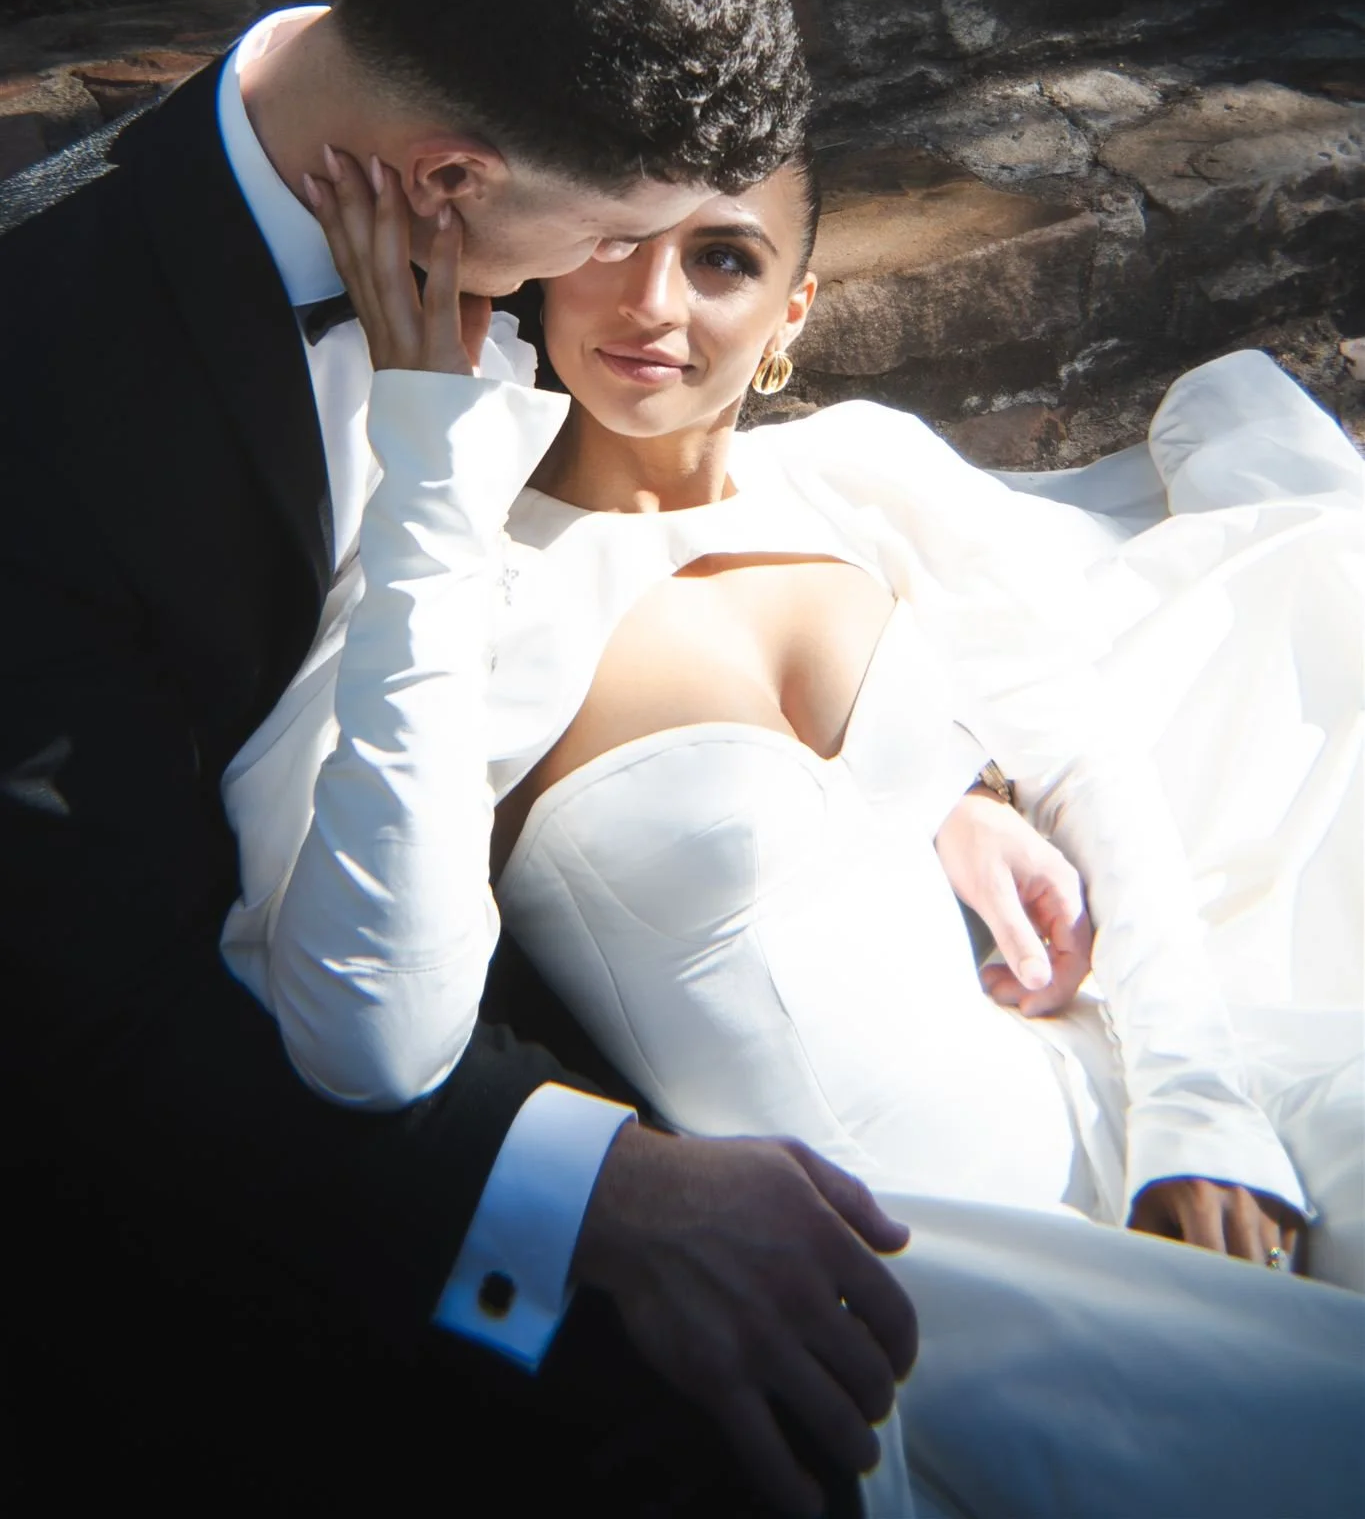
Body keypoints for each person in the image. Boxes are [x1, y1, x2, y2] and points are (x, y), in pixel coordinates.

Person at [0, 0, 921, 1516]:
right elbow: (85, 1022)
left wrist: (900, 782)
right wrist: (578, 1192)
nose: (615, 289)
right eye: (597, 236)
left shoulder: (458, 210)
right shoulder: (32, 382)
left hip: (528, 975)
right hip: (232, 1188)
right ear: (449, 184)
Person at [224, 145, 1365, 1516]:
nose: (655, 302)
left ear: (792, 315)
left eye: (721, 259)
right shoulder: (470, 584)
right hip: (920, 1267)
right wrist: (426, 457)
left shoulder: (853, 472)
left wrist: (1200, 1106)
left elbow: (1088, 765)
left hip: (1132, 1080)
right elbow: (358, 1005)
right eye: (615, 242)